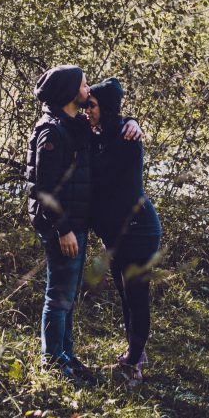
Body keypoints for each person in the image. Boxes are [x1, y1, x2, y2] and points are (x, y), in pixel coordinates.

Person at [25, 65, 141, 383]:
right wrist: (62, 229)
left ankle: (66, 356)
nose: (88, 88)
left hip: (75, 223)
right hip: (61, 226)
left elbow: (107, 122)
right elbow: (41, 188)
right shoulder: (51, 131)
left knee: (68, 295)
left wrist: (132, 123)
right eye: (84, 83)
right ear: (68, 91)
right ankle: (52, 363)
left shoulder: (72, 124)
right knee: (58, 296)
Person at [86, 77, 161, 388]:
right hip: (118, 234)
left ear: (105, 108)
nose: (86, 110)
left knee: (136, 295)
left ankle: (133, 363)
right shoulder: (104, 134)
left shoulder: (125, 139)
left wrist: (132, 121)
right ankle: (135, 351)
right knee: (124, 294)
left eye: (91, 105)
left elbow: (102, 179)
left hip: (138, 231)